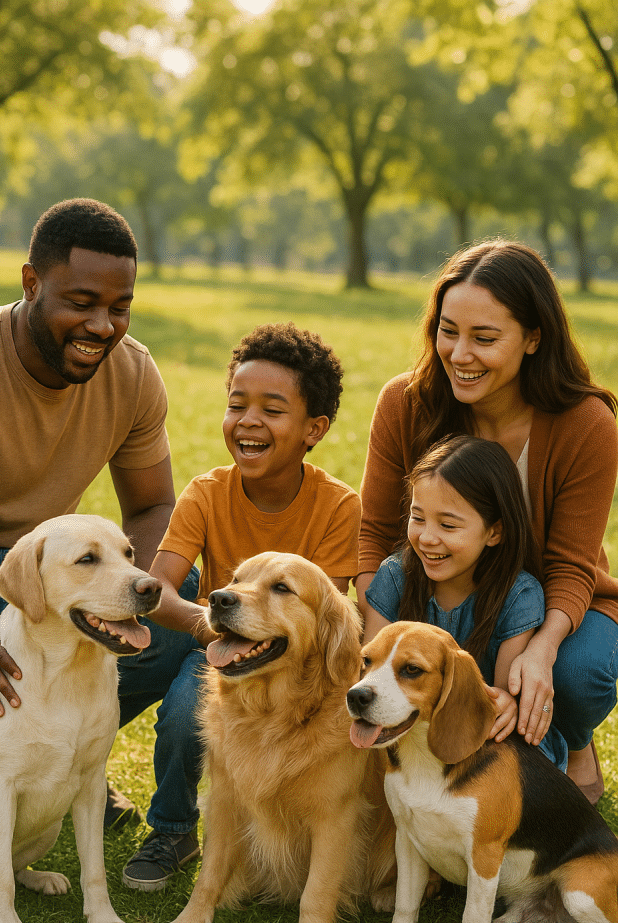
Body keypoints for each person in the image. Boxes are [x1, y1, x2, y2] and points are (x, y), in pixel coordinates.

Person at [0, 197, 199, 830]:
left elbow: (155, 503)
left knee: (172, 598)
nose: (103, 326)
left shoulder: (133, 375)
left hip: (55, 566)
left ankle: (69, 765)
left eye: (119, 307)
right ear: (32, 284)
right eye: (81, 303)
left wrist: (114, 585)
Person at [357, 239, 618, 804]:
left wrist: (541, 652)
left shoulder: (586, 423)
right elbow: (374, 534)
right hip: (437, 589)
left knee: (576, 676)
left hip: (549, 598)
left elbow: (572, 567)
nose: (460, 353)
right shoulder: (405, 402)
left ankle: (571, 738)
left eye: (484, 338)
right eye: (448, 331)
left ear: (533, 338)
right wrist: (379, 647)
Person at [121, 321, 361, 890]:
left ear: (314, 429)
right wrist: (213, 629)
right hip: (211, 629)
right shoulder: (206, 492)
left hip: (275, 660)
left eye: (272, 409)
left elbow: (325, 618)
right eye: (237, 404)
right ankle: (120, 806)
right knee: (134, 689)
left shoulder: (337, 507)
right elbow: (158, 592)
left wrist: (248, 636)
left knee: (187, 713)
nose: (248, 421)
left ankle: (194, 828)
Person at [364, 434, 567, 764]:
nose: (427, 538)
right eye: (418, 518)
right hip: (400, 726)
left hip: (477, 731)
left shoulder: (518, 595)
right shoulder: (395, 576)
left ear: (494, 532)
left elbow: (499, 696)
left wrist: (504, 704)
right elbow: (370, 665)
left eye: (447, 524)